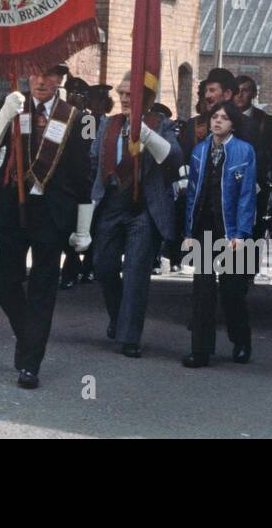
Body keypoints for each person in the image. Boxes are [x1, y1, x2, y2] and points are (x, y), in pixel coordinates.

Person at [0, 62, 93, 389]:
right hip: (13, 208)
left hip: (52, 213)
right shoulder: (13, 104)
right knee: (4, 281)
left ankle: (30, 363)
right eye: (36, 74)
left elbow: (83, 174)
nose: (41, 81)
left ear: (60, 79)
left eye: (50, 75)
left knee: (43, 288)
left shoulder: (78, 117)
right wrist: (4, 114)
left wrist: (82, 227)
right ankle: (28, 334)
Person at [90, 72, 182, 357]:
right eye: (122, 92)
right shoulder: (109, 124)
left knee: (136, 273)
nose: (124, 97)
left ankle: (130, 336)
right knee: (103, 266)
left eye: (131, 93)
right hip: (112, 203)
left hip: (143, 208)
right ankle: (119, 317)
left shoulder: (161, 125)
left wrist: (147, 134)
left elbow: (174, 158)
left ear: (146, 97)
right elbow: (94, 160)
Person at [182, 100, 256, 368]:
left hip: (232, 229)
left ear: (233, 123)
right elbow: (192, 193)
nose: (217, 121)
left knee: (232, 289)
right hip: (204, 226)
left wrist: (242, 233)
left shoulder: (244, 151)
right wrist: (189, 231)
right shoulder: (199, 151)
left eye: (224, 118)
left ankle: (241, 340)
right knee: (202, 289)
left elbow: (247, 195)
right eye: (215, 117)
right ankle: (200, 350)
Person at [234, 75, 272, 277]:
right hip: (229, 185)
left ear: (254, 94)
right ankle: (232, 273)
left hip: (256, 184)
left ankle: (247, 274)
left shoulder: (265, 122)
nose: (240, 95)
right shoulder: (225, 116)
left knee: (253, 229)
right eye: (237, 90)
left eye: (245, 90)